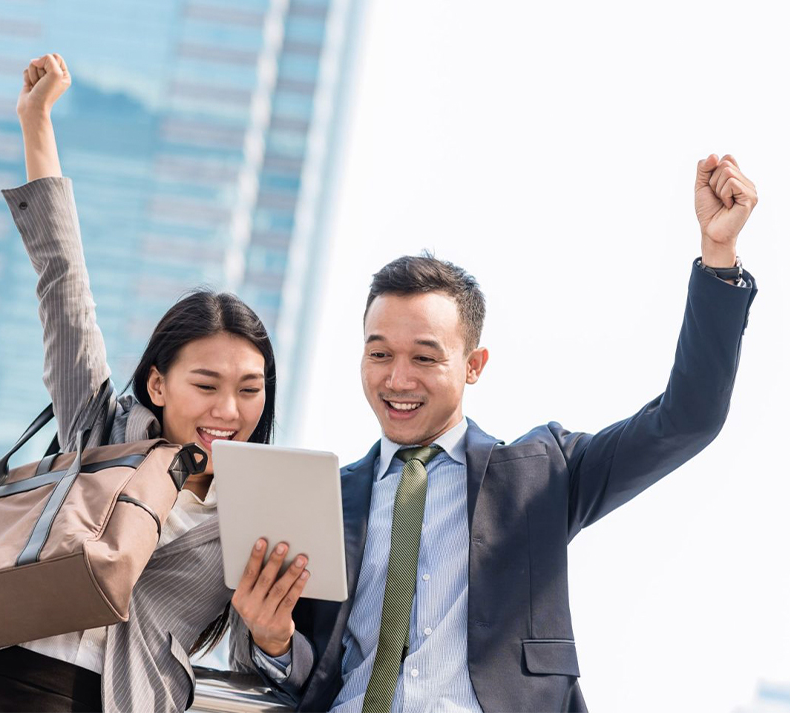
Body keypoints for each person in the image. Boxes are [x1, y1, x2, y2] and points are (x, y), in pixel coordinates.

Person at [231, 153, 758, 711]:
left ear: (474, 364)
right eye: (379, 353)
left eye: (425, 357)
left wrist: (718, 257)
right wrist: (273, 640)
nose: (397, 378)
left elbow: (688, 419)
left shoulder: (541, 472)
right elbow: (303, 674)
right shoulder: (322, 500)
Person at [0, 54, 309, 713]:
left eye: (250, 389)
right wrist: (36, 122)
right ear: (158, 385)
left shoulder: (260, 511)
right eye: (206, 383)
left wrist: (274, 633)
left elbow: (275, 667)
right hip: (5, 693)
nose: (230, 409)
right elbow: (64, 280)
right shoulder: (102, 431)